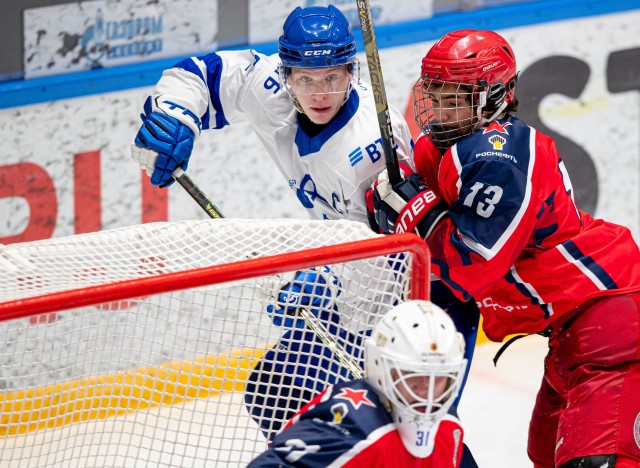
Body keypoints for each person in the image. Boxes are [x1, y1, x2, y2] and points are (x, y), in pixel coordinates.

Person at [130, 3, 480, 447]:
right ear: (286, 72)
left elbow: (391, 259)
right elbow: (202, 73)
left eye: (333, 77)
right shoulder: (269, 85)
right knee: (273, 390)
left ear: (351, 72)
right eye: (306, 79)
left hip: (425, 300)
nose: (320, 92)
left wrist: (314, 279)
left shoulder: (372, 151)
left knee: (420, 436)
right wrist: (173, 115)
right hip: (353, 281)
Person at [370, 29, 640, 467]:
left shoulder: (501, 156)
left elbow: (472, 266)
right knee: (547, 456)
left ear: (493, 96)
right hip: (570, 330)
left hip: (611, 317)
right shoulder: (442, 147)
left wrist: (413, 211)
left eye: (455, 96)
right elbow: (397, 207)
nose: (440, 108)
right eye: (436, 94)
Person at [248, 300, 470, 467]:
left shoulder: (449, 427)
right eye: (412, 377)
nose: (425, 391)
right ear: (382, 368)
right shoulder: (348, 428)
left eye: (438, 378)